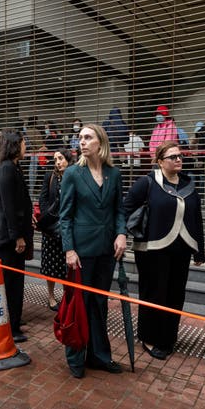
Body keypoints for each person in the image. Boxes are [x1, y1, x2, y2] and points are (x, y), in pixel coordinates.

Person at [123, 141, 205, 360]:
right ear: (160, 161)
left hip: (182, 250)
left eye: (179, 156)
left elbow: (197, 218)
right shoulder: (147, 183)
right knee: (153, 293)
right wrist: (124, 235)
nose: (178, 159)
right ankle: (149, 337)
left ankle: (168, 338)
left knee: (175, 295)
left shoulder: (189, 185)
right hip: (152, 250)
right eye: (172, 157)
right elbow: (126, 208)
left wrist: (200, 250)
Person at [59, 123, 127, 379]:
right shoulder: (73, 174)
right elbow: (65, 216)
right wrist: (69, 250)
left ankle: (99, 356)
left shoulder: (114, 173)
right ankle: (75, 356)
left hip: (107, 251)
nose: (82, 142)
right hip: (80, 252)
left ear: (101, 142)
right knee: (79, 303)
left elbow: (119, 210)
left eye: (88, 138)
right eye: (80, 138)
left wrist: (121, 233)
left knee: (99, 303)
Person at [0, 129, 33, 342]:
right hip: (7, 239)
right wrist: (18, 236)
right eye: (24, 143)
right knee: (9, 284)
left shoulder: (14, 167)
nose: (26, 147)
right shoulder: (6, 169)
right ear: (15, 145)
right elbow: (8, 207)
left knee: (16, 283)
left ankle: (14, 320)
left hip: (13, 236)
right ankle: (10, 327)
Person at [38, 149, 74, 311]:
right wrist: (48, 217)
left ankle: (68, 296)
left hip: (69, 228)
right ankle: (51, 297)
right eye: (55, 159)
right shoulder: (50, 176)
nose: (58, 162)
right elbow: (43, 199)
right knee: (50, 264)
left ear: (68, 159)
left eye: (60, 158)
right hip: (52, 228)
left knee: (67, 266)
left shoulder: (75, 175)